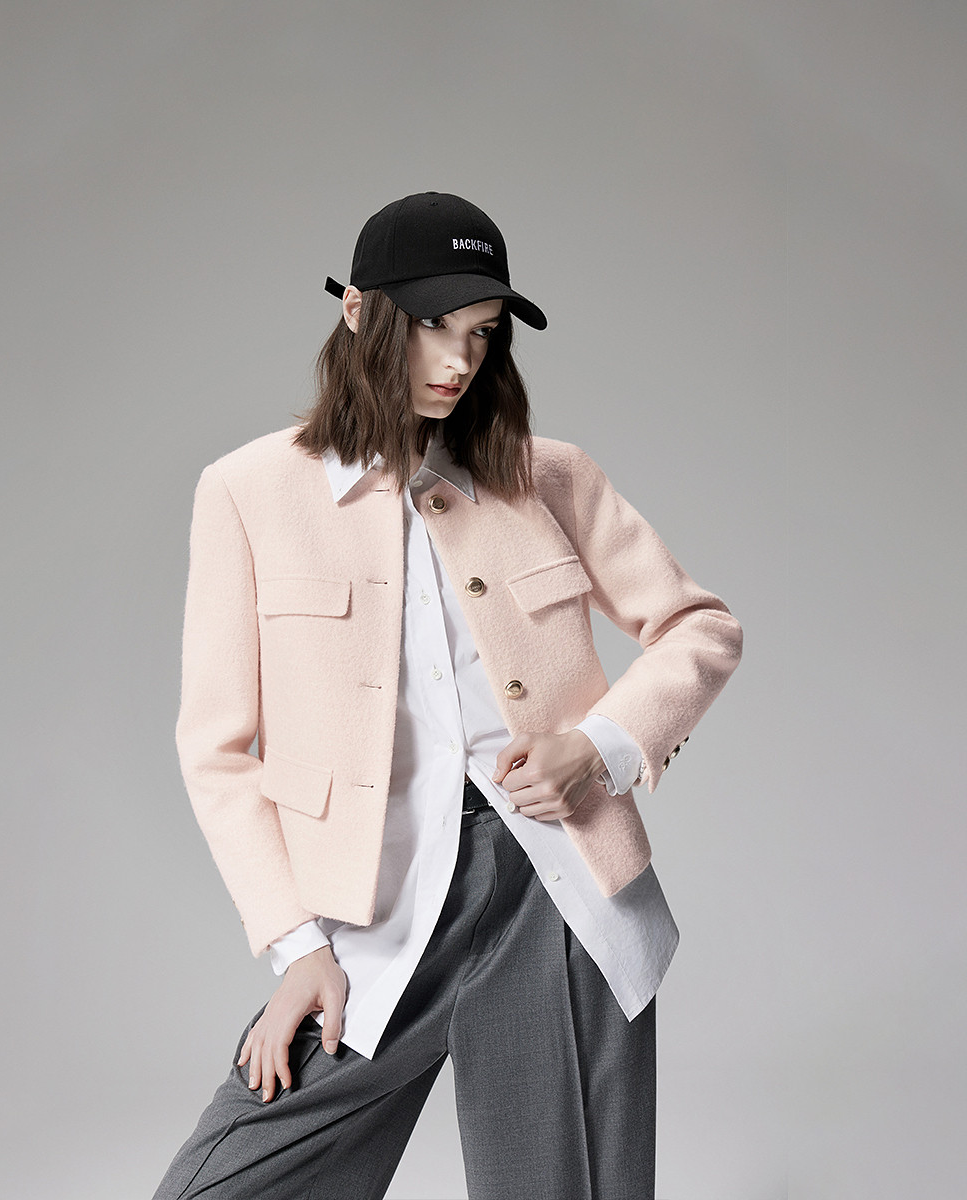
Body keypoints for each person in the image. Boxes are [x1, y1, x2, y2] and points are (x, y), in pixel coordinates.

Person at [152, 191, 743, 1200]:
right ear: (357, 312)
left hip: (557, 894)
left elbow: (700, 626)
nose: (459, 360)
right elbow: (216, 749)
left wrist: (599, 747)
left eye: (482, 332)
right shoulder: (248, 493)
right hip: (374, 904)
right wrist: (297, 946)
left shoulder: (546, 477)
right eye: (433, 324)